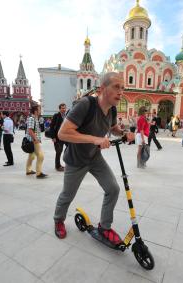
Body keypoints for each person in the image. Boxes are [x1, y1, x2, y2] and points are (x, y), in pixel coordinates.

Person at [53, 72, 134, 243]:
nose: (121, 92)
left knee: (113, 189)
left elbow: (113, 128)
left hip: (94, 157)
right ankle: (58, 220)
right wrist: (95, 139)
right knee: (68, 194)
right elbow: (63, 133)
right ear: (103, 88)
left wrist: (124, 133)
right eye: (116, 87)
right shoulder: (85, 105)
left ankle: (104, 228)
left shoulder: (112, 109)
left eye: (123, 88)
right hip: (76, 159)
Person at [25, 105, 47, 178]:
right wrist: (35, 139)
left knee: (31, 156)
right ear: (35, 111)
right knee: (41, 156)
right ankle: (39, 173)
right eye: (39, 109)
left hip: (34, 140)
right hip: (34, 140)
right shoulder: (31, 118)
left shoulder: (36, 118)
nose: (40, 111)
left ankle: (28, 170)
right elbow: (30, 130)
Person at [49, 103, 67, 172]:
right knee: (58, 152)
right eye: (62, 108)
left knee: (67, 149)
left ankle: (62, 164)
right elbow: (51, 127)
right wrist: (53, 137)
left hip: (65, 137)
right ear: (59, 109)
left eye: (64, 108)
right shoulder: (56, 116)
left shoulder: (66, 116)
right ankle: (57, 166)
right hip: (57, 137)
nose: (64, 109)